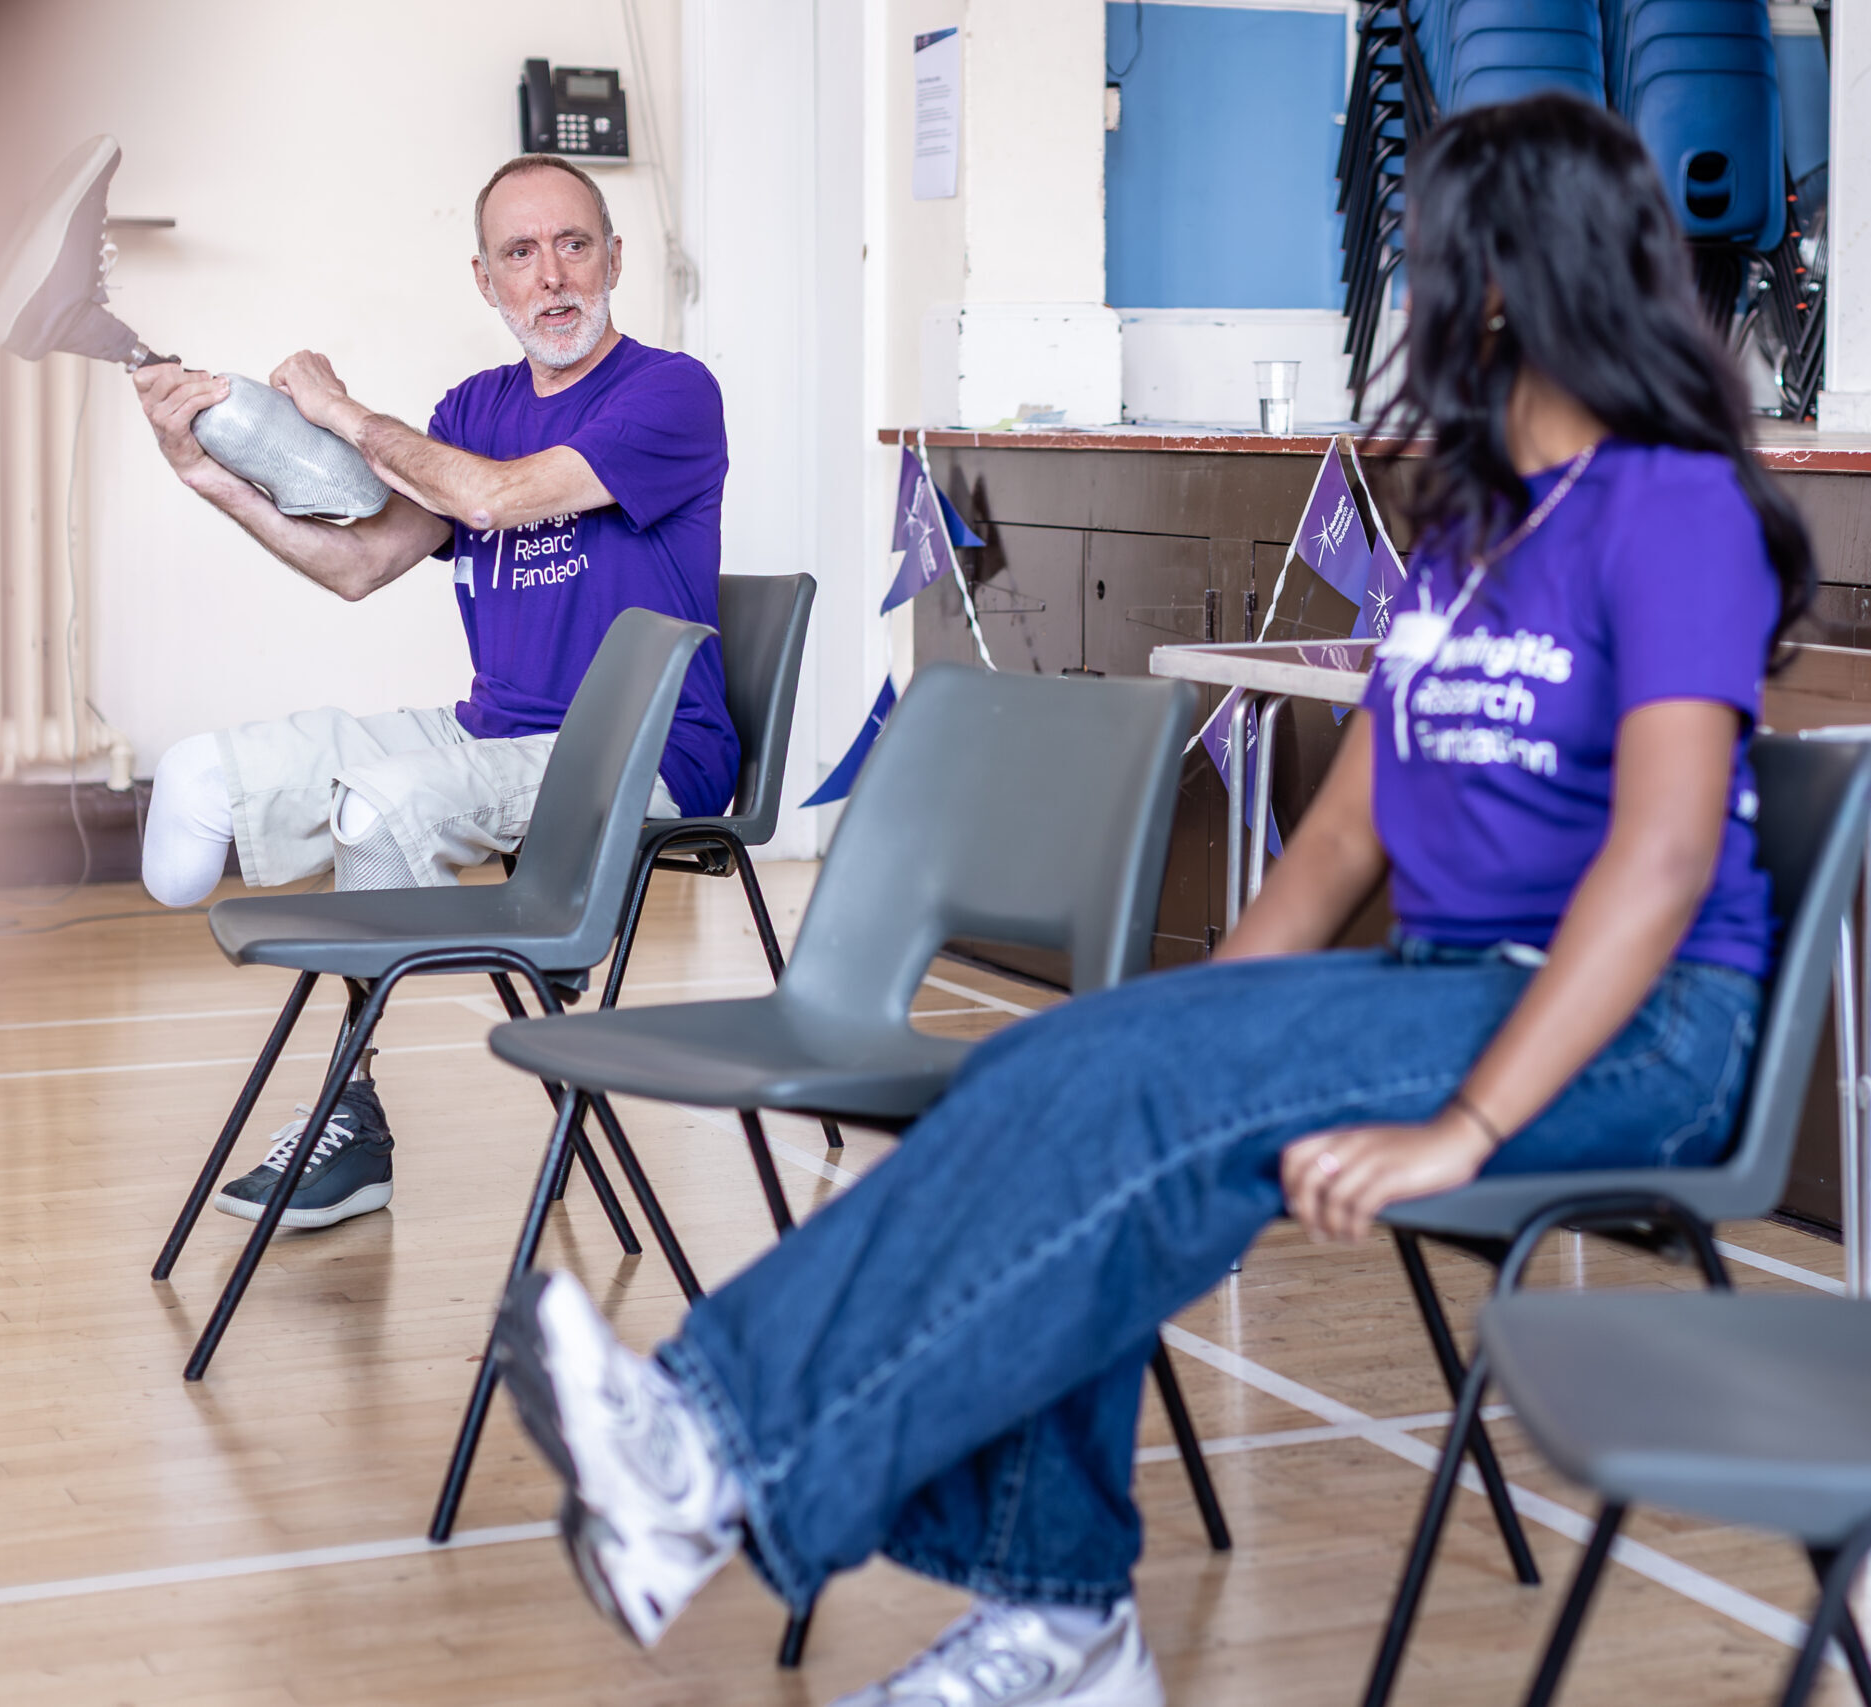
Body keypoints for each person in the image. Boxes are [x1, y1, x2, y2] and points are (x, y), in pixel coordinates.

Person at [487, 95, 1817, 1707]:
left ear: (1509, 278)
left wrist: (1463, 1127)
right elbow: (1339, 846)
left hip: (1640, 1030)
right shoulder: (1475, 531)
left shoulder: (1665, 505)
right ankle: (1057, 1620)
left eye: (1426, 256)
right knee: (1057, 1073)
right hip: (1453, 985)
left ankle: (715, 1450)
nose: (1405, 288)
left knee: (1122, 1095)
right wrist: (1173, 1021)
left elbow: (1662, 857)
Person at [129, 155, 738, 1231]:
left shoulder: (669, 392)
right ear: (484, 280)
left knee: (389, 804)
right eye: (520, 253)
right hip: (496, 732)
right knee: (202, 779)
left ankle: (350, 1124)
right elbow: (359, 565)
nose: (551, 277)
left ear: (615, 259)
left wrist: (342, 411)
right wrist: (207, 474)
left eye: (574, 245)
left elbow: (499, 500)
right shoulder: (473, 407)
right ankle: (355, 1108)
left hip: (641, 753)